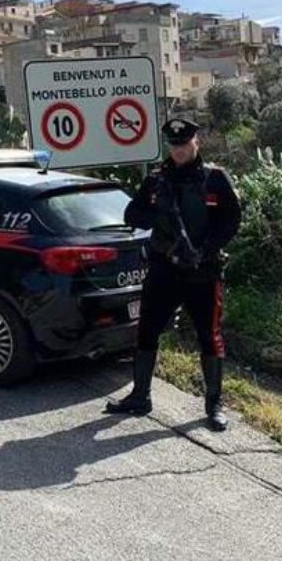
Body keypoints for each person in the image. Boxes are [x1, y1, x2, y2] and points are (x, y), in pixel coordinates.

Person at [106, 118, 242, 431]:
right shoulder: (156, 180)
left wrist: (206, 249)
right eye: (173, 144)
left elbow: (231, 219)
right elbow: (133, 215)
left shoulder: (215, 179)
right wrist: (159, 212)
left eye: (184, 144)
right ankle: (140, 397)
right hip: (163, 269)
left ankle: (214, 405)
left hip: (201, 271)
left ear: (197, 143)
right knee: (147, 330)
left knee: (209, 336)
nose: (178, 150)